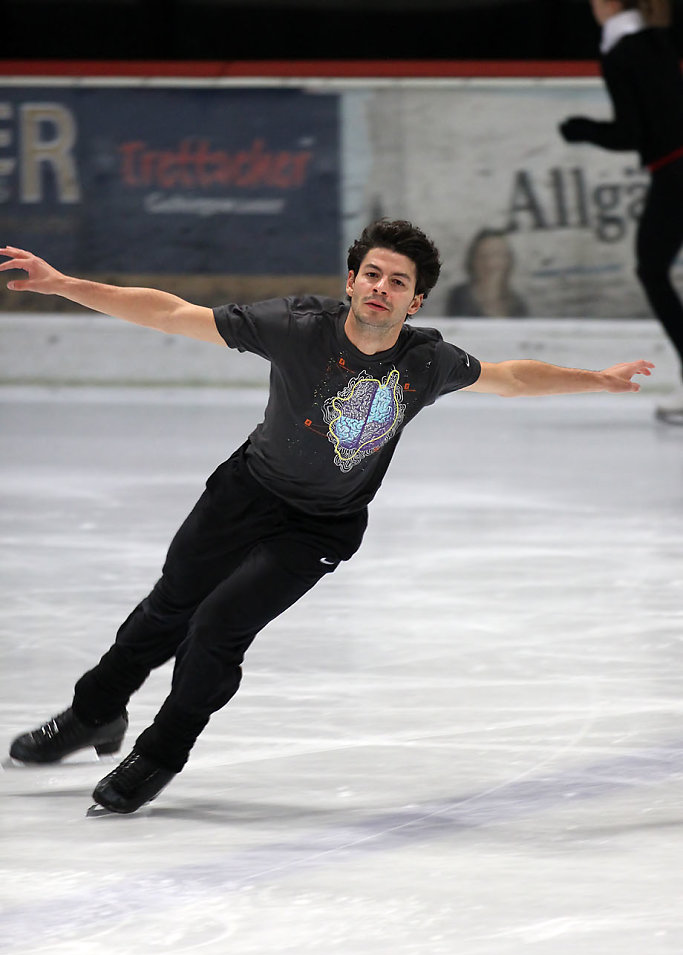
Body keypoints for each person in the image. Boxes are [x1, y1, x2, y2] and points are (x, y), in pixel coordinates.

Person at [0, 220, 654, 815]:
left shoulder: (424, 363)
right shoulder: (295, 326)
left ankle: (163, 750)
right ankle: (94, 711)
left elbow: (511, 377)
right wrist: (61, 285)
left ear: (414, 301)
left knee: (215, 630)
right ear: (351, 281)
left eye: (398, 281)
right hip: (245, 491)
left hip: (318, 527)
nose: (381, 286)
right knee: (169, 605)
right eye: (371, 273)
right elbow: (172, 313)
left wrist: (596, 379)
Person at [559, 0, 683, 425]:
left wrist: (583, 130)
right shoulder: (652, 40)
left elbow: (632, 131)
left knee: (651, 270)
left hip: (676, 172)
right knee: (652, 268)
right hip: (674, 168)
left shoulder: (624, 49)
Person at [445, 228, 529, 318]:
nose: (491, 263)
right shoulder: (459, 297)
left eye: (498, 255)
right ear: (472, 261)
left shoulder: (517, 303)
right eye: (484, 256)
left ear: (508, 260)